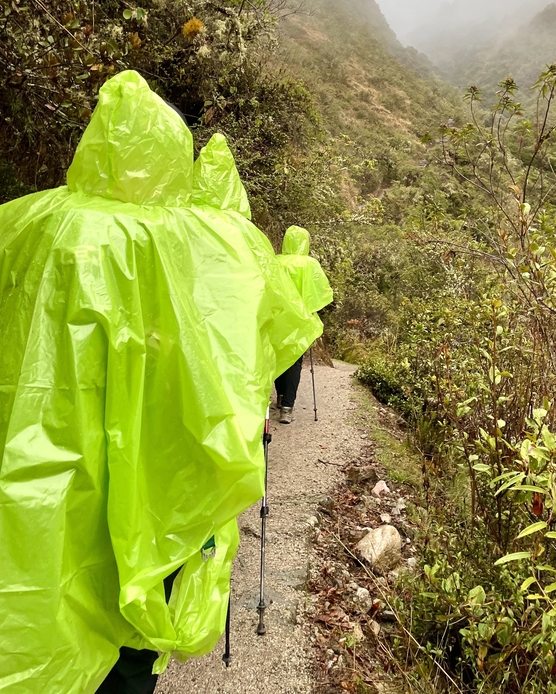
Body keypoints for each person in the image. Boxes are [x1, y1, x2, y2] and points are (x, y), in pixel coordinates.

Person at [0, 71, 320, 694]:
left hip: (37, 459)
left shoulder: (23, 225)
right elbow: (229, 358)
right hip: (156, 469)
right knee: (133, 609)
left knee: (45, 580)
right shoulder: (200, 246)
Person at [274, 226, 334, 423]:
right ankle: (287, 407)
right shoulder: (310, 265)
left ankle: (281, 394)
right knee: (295, 361)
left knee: (277, 356)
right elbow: (321, 293)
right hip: (300, 321)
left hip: (278, 319)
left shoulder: (276, 261)